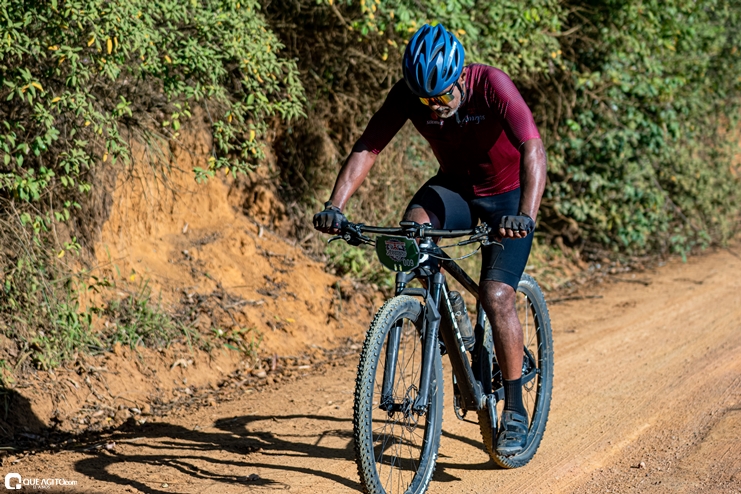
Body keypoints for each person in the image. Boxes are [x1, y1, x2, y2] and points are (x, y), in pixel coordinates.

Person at [313, 23, 547, 457]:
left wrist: (526, 216)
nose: (434, 108)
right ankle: (450, 311)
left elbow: (533, 148)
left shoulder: (491, 84)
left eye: (441, 97)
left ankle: (514, 409)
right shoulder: (411, 95)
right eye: (425, 101)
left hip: (507, 199)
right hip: (454, 189)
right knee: (413, 236)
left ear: (460, 78)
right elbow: (369, 146)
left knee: (496, 296)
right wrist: (336, 206)